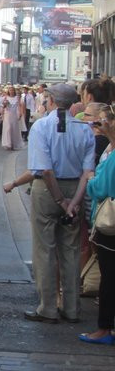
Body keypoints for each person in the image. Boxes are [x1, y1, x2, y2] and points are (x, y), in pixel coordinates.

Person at [24, 83, 95, 325]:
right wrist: (72, 203)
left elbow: (45, 169)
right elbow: (88, 172)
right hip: (75, 186)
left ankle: (48, 307)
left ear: (51, 100)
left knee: (45, 249)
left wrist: (59, 200)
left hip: (47, 191)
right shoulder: (85, 129)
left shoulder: (42, 126)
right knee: (71, 249)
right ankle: (72, 307)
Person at [82, 103, 115, 345]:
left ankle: (104, 328)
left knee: (109, 277)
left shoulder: (113, 155)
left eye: (104, 121)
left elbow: (101, 188)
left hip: (110, 224)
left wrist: (91, 179)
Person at [0, 87, 24, 151]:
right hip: (7, 115)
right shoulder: (6, 97)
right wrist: (5, 104)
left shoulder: (17, 98)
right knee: (8, 128)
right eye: (10, 90)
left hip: (14, 115)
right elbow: (3, 107)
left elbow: (19, 106)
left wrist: (20, 114)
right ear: (8, 91)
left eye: (13, 90)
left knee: (14, 129)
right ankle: (8, 144)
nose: (11, 91)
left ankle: (14, 144)